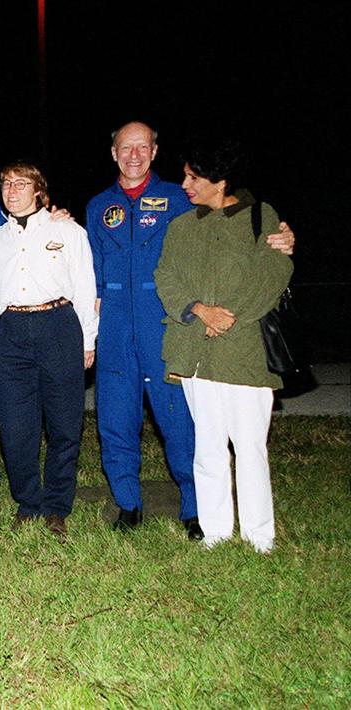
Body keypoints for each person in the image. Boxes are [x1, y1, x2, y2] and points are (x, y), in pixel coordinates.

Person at [87, 121, 294, 539]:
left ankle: (195, 508)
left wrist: (282, 237)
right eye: (125, 148)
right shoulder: (96, 207)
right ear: (113, 153)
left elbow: (229, 220)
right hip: (114, 331)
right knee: (115, 419)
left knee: (180, 420)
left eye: (142, 147)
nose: (133, 155)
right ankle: (127, 503)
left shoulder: (178, 200)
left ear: (154, 151)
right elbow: (85, 267)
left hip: (167, 327)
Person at [154, 144, 292, 553]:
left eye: (193, 177)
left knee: (249, 445)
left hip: (243, 353)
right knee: (208, 444)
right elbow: (166, 274)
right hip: (195, 351)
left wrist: (230, 315)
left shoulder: (259, 216)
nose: (185, 185)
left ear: (220, 179)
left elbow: (274, 270)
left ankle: (259, 536)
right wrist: (198, 310)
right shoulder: (181, 226)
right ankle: (215, 532)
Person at [0, 164, 96, 539]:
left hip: (59, 325)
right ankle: (28, 502)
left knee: (64, 425)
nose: (12, 190)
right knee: (17, 427)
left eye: (22, 183)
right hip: (12, 332)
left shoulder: (67, 230)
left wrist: (87, 341)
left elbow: (85, 287)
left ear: (39, 190)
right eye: (6, 183)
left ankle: (56, 507)